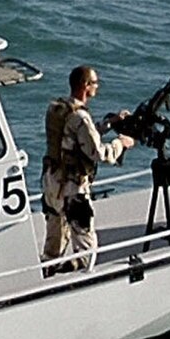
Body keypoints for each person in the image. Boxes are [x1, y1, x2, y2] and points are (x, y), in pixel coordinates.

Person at [41, 66, 134, 270]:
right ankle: (81, 275)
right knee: (86, 245)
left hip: (51, 183)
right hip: (73, 189)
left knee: (54, 242)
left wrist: (109, 123)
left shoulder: (57, 108)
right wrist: (120, 143)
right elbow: (99, 153)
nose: (97, 86)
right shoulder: (81, 118)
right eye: (95, 82)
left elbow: (73, 136)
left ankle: (49, 275)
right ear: (85, 85)